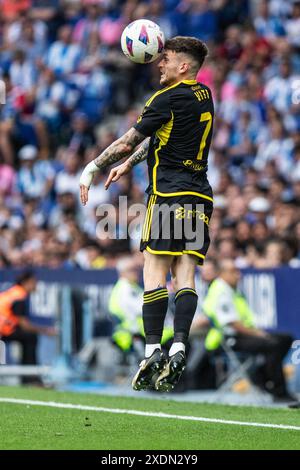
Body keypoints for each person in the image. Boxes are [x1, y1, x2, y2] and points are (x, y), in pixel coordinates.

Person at [79, 37, 214, 392]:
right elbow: (159, 139)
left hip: (168, 193)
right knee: (185, 275)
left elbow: (129, 139)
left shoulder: (163, 98)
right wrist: (129, 164)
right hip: (199, 196)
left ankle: (153, 349)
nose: (159, 63)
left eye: (166, 59)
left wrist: (92, 168)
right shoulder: (204, 95)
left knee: (154, 273)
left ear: (183, 66)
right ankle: (181, 344)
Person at [203, 258, 296, 403]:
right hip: (227, 339)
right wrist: (258, 334)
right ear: (222, 274)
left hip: (242, 335)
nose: (238, 275)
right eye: (234, 271)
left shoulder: (231, 289)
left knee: (285, 338)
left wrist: (257, 331)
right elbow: (232, 323)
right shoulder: (220, 291)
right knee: (272, 344)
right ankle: (277, 390)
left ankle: (261, 376)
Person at [0, 271, 55, 382]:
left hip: (4, 329)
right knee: (30, 337)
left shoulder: (13, 292)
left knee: (27, 336)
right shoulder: (19, 297)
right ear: (26, 283)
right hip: (3, 331)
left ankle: (29, 377)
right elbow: (24, 325)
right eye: (34, 282)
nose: (36, 286)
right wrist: (45, 330)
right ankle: (30, 378)